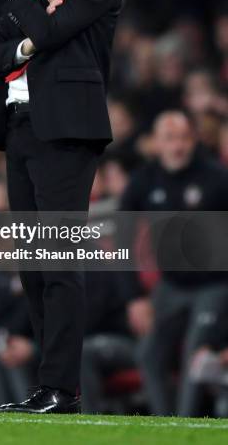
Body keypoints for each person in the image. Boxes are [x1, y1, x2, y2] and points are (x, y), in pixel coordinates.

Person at [0, 0, 122, 413]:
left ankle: (63, 389)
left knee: (58, 258)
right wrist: (28, 34)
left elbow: (47, 35)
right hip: (20, 128)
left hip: (66, 131)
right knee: (32, 264)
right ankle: (47, 385)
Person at [117, 110, 228, 416]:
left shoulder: (216, 178)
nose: (177, 146)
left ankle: (186, 424)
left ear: (192, 140)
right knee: (149, 353)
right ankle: (163, 424)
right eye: (170, 139)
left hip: (215, 283)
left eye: (183, 138)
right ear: (156, 143)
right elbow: (122, 239)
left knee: (194, 354)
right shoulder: (144, 180)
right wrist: (134, 298)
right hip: (172, 284)